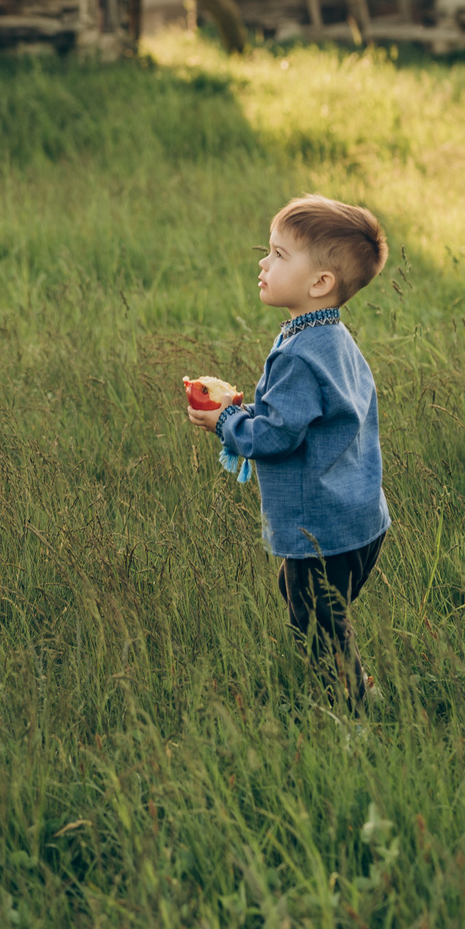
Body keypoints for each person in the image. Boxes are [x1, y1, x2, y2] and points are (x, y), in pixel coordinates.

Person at [186, 195, 393, 706]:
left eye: (278, 255)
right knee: (315, 604)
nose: (263, 262)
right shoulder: (332, 339)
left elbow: (279, 437)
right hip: (359, 517)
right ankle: (358, 685)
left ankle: (351, 715)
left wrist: (226, 421)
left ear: (319, 283)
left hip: (319, 525)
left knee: (318, 622)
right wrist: (249, 410)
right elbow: (299, 417)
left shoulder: (301, 356)